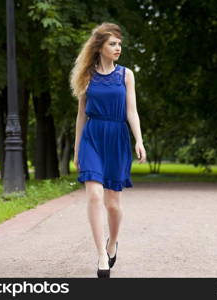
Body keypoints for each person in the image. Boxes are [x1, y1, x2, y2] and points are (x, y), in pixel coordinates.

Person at [70, 22, 146, 278]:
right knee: (94, 196)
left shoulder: (126, 75)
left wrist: (139, 139)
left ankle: (112, 242)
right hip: (92, 136)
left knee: (113, 204)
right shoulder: (87, 75)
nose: (118, 48)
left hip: (117, 138)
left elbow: (131, 111)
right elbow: (81, 114)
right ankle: (101, 254)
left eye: (119, 44)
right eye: (112, 44)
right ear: (99, 47)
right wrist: (77, 147)